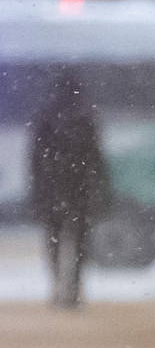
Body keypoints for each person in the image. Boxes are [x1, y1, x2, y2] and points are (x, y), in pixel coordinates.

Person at [28, 70, 108, 309]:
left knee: (54, 242)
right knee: (80, 243)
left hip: (53, 190)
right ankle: (75, 290)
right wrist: (100, 189)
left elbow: (35, 159)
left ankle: (57, 287)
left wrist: (38, 189)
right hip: (79, 189)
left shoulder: (45, 116)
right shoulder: (86, 116)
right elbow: (96, 159)